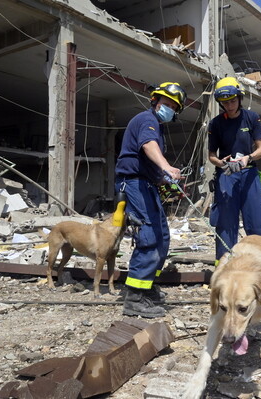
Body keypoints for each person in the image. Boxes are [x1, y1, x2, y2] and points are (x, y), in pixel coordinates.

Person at [115, 82, 186, 318]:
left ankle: (147, 287)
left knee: (162, 237)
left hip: (146, 184)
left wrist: (164, 179)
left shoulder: (156, 126)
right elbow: (148, 145)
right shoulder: (147, 120)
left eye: (173, 107)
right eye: (166, 103)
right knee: (148, 237)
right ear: (155, 101)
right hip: (133, 183)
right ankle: (134, 297)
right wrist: (166, 166)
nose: (169, 109)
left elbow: (149, 161)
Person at [208, 76, 261, 262]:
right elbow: (212, 155)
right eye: (225, 102)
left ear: (240, 98)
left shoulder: (251, 118)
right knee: (225, 223)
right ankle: (224, 267)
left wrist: (248, 158)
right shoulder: (216, 123)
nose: (229, 105)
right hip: (227, 175)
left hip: (249, 174)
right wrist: (221, 163)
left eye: (233, 101)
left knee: (258, 221)